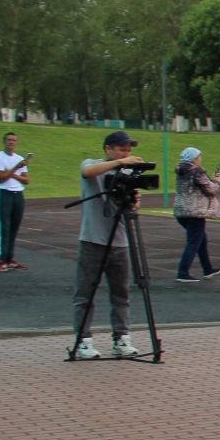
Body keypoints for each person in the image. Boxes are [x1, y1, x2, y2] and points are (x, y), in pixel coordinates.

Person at [71, 131, 147, 360]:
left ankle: (121, 338)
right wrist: (120, 163)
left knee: (121, 293)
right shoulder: (93, 165)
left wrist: (133, 202)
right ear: (108, 149)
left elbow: (129, 209)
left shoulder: (126, 175)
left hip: (120, 241)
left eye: (128, 151)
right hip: (93, 240)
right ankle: (83, 341)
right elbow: (87, 172)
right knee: (85, 293)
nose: (127, 154)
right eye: (122, 149)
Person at [171, 147, 220, 283]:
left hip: (181, 211)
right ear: (194, 158)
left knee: (201, 239)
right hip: (195, 212)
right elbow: (211, 190)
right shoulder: (196, 171)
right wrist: (217, 181)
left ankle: (207, 269)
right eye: (199, 157)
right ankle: (182, 272)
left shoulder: (180, 170)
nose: (200, 159)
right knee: (194, 242)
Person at [0, 131, 30, 272]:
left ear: (16, 143)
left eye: (14, 140)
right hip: (4, 193)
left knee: (14, 226)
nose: (11, 142)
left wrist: (13, 173)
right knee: (4, 227)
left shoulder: (20, 159)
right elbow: (1, 178)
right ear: (4, 141)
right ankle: (2, 259)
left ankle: (10, 257)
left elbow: (26, 180)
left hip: (18, 194)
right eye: (8, 140)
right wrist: (16, 169)